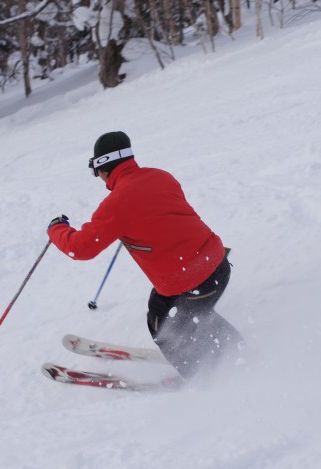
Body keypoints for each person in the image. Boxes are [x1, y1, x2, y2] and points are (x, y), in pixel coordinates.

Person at [47, 131, 243, 379]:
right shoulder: (160, 176)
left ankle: (203, 378)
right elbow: (161, 215)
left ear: (103, 168)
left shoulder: (118, 202)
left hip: (193, 278)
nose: (96, 177)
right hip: (215, 266)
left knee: (166, 330)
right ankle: (235, 352)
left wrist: (56, 229)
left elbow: (81, 248)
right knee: (186, 313)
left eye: (94, 170)